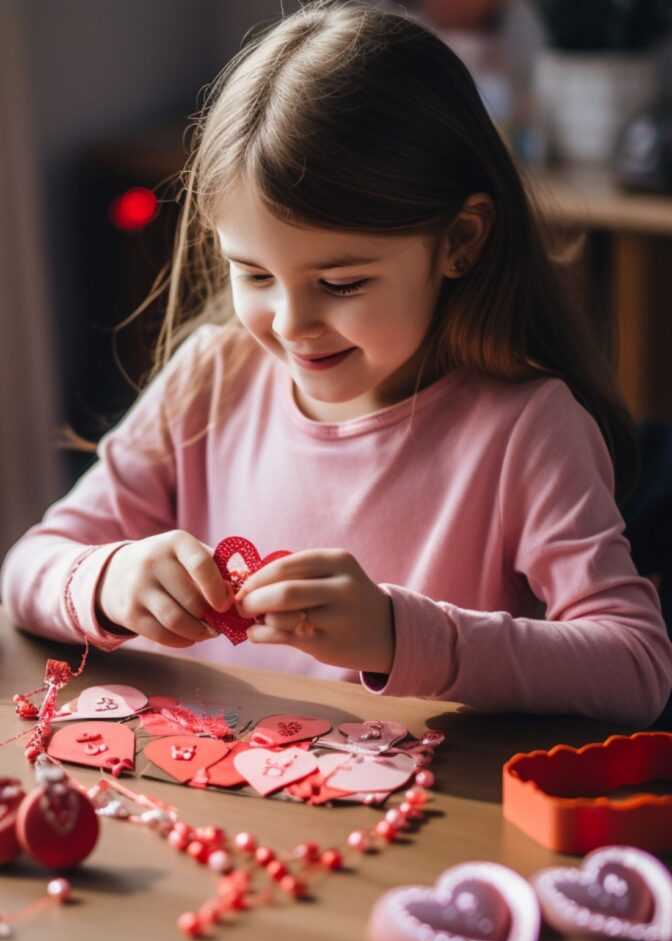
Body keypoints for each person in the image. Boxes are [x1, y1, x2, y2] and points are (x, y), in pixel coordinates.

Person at [2, 0, 671, 726]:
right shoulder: (211, 377)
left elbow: (636, 667)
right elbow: (26, 572)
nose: (292, 325)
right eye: (254, 275)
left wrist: (396, 634)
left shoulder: (528, 431)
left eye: (342, 283)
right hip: (214, 812)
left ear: (462, 241)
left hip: (413, 827)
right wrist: (107, 578)